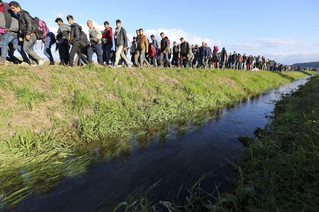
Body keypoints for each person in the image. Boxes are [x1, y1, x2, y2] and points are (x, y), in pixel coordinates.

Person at [9, 1, 45, 66]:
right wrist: (20, 35)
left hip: (31, 34)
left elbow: (30, 23)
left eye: (13, 8)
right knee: (30, 49)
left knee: (26, 48)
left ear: (18, 7)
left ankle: (40, 59)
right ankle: (34, 63)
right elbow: (21, 27)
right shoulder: (19, 15)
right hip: (27, 35)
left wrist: (28, 34)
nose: (12, 10)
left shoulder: (24, 13)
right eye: (11, 8)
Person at [0, 1, 29, 65]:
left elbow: (8, 17)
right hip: (15, 31)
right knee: (18, 47)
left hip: (10, 29)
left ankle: (3, 60)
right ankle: (26, 60)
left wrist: (7, 27)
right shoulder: (5, 7)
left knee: (3, 43)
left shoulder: (4, 6)